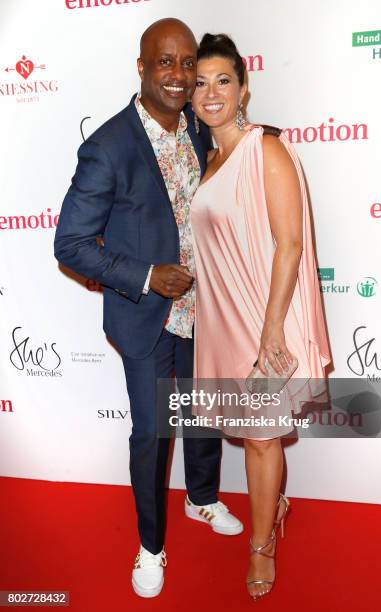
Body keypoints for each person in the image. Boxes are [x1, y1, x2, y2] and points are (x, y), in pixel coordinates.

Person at [54, 19, 242, 600]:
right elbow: (70, 244)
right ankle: (151, 545)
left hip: (206, 308)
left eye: (188, 62)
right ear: (141, 66)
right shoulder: (108, 147)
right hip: (147, 317)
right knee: (153, 433)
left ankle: (203, 497)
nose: (181, 75)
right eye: (167, 62)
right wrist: (145, 276)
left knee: (204, 411)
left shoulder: (197, 124)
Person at [190, 33, 331, 600]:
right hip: (223, 317)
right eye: (200, 83)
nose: (210, 92)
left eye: (223, 80)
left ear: (243, 89)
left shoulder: (264, 149)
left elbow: (290, 244)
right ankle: (274, 507)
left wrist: (272, 327)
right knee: (249, 434)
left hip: (265, 315)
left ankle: (262, 544)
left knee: (262, 438)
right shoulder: (207, 159)